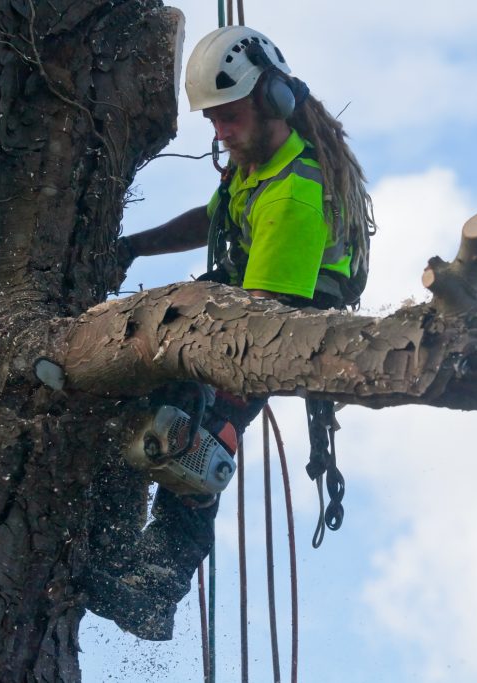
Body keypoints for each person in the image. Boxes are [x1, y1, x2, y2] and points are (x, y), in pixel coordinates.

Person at [84, 25, 374, 641]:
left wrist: (214, 401)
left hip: (274, 330)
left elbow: (262, 325)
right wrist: (133, 247)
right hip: (243, 310)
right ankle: (111, 554)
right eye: (213, 120)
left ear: (273, 101)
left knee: (193, 437)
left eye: (231, 116)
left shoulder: (294, 194)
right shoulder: (258, 162)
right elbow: (214, 219)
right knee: (139, 409)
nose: (221, 132)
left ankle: (155, 589)